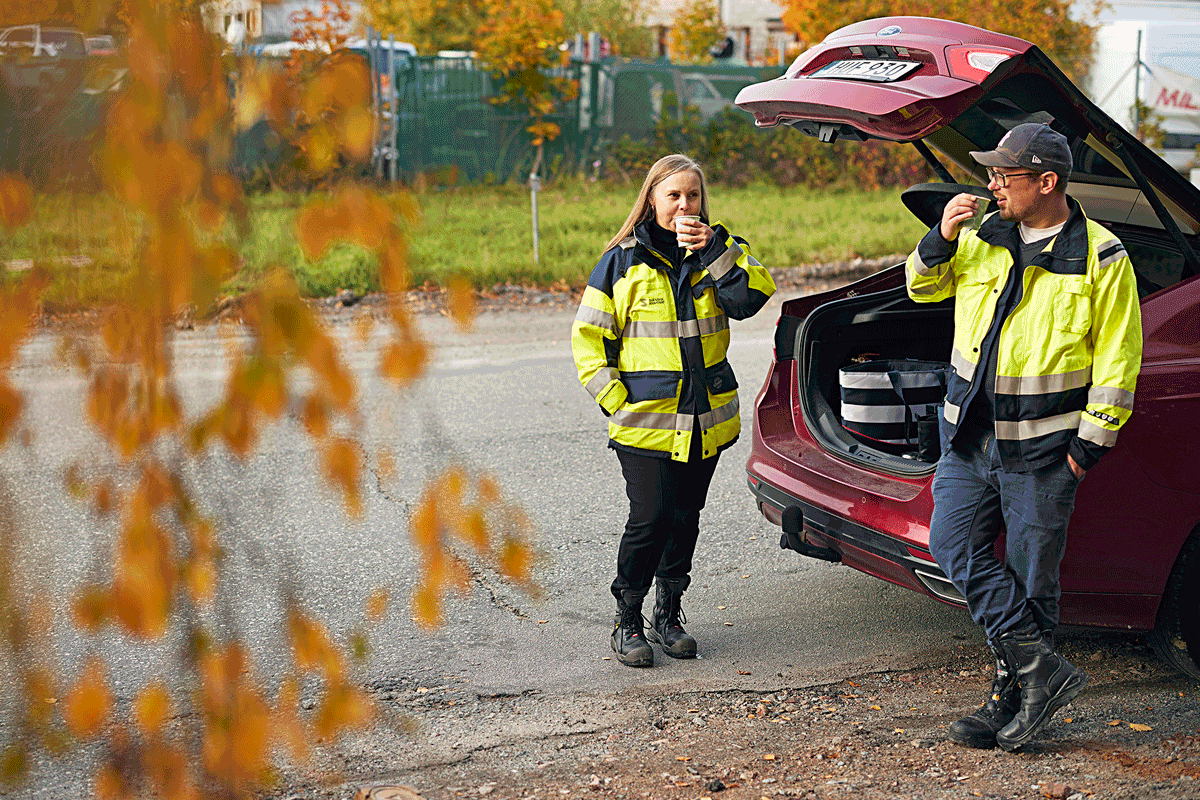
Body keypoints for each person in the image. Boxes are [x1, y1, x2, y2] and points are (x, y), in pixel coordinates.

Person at [905, 123, 1143, 751]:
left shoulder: (1103, 256)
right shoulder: (983, 235)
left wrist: (1084, 452)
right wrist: (942, 235)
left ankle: (1014, 695)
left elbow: (1118, 364)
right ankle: (1043, 669)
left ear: (1047, 182)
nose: (991, 185)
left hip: (1043, 453)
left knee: (1031, 579)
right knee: (952, 548)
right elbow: (921, 287)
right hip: (969, 439)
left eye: (1004, 175)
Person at [571, 154, 776, 667]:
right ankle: (628, 620)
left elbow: (751, 299)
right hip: (644, 424)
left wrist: (717, 252)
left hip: (705, 421)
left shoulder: (723, 251)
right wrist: (617, 401)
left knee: (685, 519)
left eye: (693, 195)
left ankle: (669, 614)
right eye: (674, 196)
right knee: (651, 518)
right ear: (652, 201)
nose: (685, 205)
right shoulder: (621, 261)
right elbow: (588, 340)